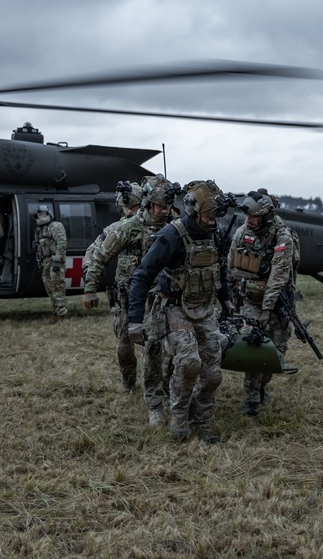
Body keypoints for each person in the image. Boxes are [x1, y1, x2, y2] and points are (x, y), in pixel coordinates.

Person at [127, 179, 233, 443]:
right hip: (175, 309)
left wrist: (227, 300)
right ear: (193, 212)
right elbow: (142, 276)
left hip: (205, 309)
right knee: (188, 364)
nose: (212, 222)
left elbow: (219, 271)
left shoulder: (215, 232)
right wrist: (134, 321)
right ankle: (178, 419)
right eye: (208, 217)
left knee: (212, 373)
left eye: (214, 217)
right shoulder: (171, 236)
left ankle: (203, 419)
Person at [83, 177, 178, 417]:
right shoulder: (125, 228)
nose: (128, 210)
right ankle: (129, 385)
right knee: (125, 348)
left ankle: (160, 395)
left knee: (156, 350)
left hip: (158, 299)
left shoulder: (173, 227)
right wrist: (90, 288)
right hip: (128, 299)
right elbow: (99, 256)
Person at [228, 189, 298, 416]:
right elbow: (230, 266)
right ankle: (251, 398)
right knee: (254, 347)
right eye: (248, 216)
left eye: (254, 217)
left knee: (277, 351)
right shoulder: (242, 233)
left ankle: (262, 387)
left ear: (266, 216)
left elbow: (279, 274)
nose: (249, 220)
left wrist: (268, 308)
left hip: (276, 302)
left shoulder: (282, 236)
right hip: (250, 300)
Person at [33, 204, 68, 323]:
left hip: (54, 260)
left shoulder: (55, 226)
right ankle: (56, 312)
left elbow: (61, 243)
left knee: (57, 287)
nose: (39, 216)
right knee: (49, 288)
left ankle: (61, 315)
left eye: (42, 214)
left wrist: (58, 260)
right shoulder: (41, 229)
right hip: (46, 261)